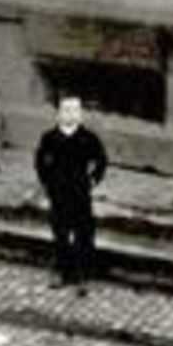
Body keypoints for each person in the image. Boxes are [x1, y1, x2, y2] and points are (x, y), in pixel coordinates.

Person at [35, 92, 108, 291]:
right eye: (66, 110)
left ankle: (84, 272)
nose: (71, 114)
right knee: (60, 231)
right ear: (58, 113)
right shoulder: (50, 138)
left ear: (81, 114)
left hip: (80, 190)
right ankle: (62, 270)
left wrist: (93, 179)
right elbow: (40, 162)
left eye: (76, 110)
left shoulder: (88, 138)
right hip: (58, 191)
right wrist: (47, 182)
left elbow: (101, 160)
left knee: (83, 231)